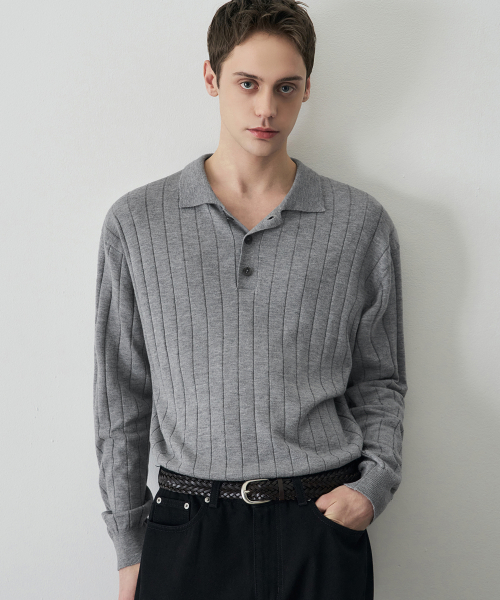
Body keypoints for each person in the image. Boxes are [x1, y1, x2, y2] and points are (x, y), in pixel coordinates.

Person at [93, 1, 407, 599]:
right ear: (211, 78)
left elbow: (380, 380)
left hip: (321, 523)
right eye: (247, 84)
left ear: (307, 88)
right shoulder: (137, 223)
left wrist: (373, 487)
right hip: (187, 528)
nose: (266, 108)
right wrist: (129, 544)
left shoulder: (359, 224)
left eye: (286, 87)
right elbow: (121, 396)